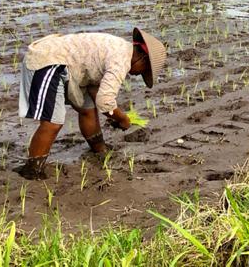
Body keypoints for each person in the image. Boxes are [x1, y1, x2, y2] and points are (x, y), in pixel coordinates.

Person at [17, 27, 166, 180]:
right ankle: (32, 170)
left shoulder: (122, 49)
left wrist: (113, 115)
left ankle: (99, 149)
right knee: (53, 122)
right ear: (142, 58)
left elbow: (96, 94)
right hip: (49, 61)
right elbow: (105, 100)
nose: (138, 74)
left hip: (70, 67)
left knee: (87, 109)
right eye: (143, 71)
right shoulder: (121, 60)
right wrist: (122, 119)